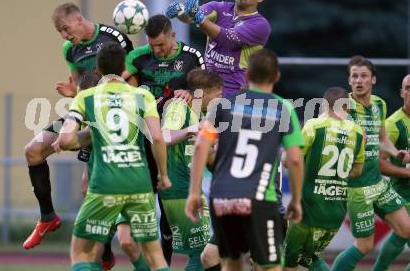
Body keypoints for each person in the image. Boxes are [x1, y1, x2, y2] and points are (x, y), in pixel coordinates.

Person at [23, 2, 133, 251]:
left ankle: (104, 252)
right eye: (59, 32)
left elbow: (131, 79)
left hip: (111, 117)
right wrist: (73, 92)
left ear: (79, 19)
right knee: (33, 151)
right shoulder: (69, 49)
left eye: (65, 29)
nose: (64, 36)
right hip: (83, 113)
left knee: (87, 187)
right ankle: (48, 218)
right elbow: (79, 90)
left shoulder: (113, 38)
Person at [186, 49, 304, 271]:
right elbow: (295, 160)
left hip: (223, 198)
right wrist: (296, 200)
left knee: (231, 263)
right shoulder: (283, 108)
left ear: (247, 76)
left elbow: (201, 146)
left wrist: (194, 193)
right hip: (259, 198)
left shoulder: (222, 106)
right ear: (276, 76)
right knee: (270, 267)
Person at [57, 42, 171, 271]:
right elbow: (157, 138)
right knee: (155, 257)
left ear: (98, 69)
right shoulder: (143, 95)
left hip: (105, 185)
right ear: (123, 68)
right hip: (140, 183)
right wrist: (163, 175)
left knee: (82, 254)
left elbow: (66, 140)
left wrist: (91, 134)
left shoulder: (86, 96)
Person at [121, 14, 205, 265]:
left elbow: (204, 93)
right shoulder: (138, 57)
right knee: (141, 197)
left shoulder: (192, 57)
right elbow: (118, 82)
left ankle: (166, 262)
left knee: (167, 204)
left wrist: (190, 93)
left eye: (161, 44)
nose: (156, 50)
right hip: (144, 136)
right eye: (152, 45)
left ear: (173, 36)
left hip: (175, 141)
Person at [330, 56, 410, 271]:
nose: (359, 80)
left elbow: (383, 139)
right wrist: (351, 141)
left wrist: (397, 152)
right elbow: (330, 142)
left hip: (378, 183)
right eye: (354, 76)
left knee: (406, 228)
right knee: (364, 246)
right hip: (357, 188)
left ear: (373, 80)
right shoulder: (342, 107)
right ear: (349, 81)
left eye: (364, 76)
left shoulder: (379, 104)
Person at [284, 87, 365, 271]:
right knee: (309, 258)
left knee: (288, 262)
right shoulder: (359, 132)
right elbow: (358, 170)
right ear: (347, 107)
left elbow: (291, 161)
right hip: (335, 211)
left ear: (323, 105)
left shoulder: (314, 125)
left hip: (308, 207)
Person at [166, 0, 271, 97]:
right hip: (204, 90)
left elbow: (227, 38)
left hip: (234, 94)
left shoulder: (260, 25)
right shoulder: (218, 7)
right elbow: (191, 16)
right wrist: (180, 12)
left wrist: (199, 18)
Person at [160, 69, 223, 270]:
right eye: (218, 96)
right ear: (203, 94)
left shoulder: (202, 113)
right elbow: (163, 138)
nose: (219, 101)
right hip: (178, 189)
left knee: (203, 253)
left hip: (189, 189)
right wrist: (193, 129)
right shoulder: (179, 107)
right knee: (200, 254)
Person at [372, 75, 410, 271]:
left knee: (400, 234)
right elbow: (378, 164)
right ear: (402, 93)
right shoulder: (393, 124)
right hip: (404, 197)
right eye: (409, 88)